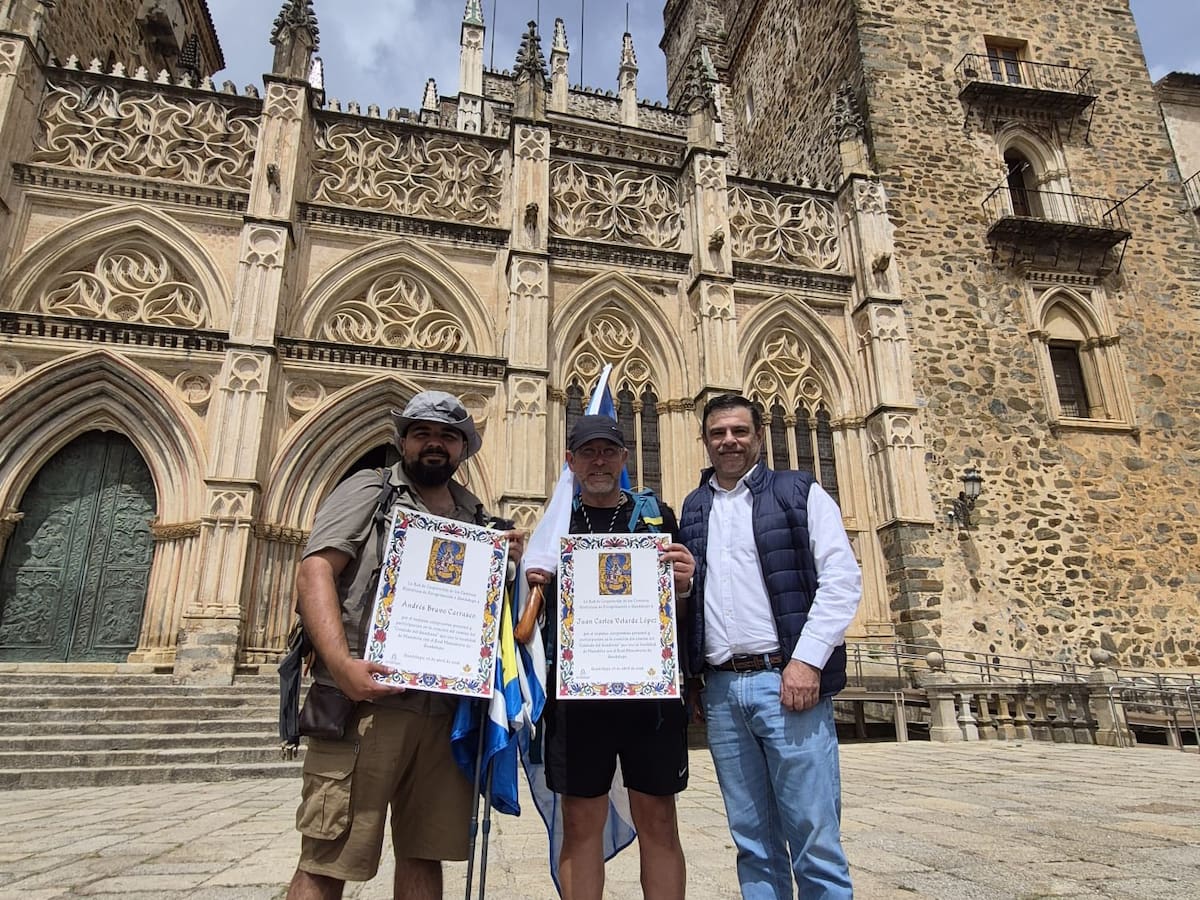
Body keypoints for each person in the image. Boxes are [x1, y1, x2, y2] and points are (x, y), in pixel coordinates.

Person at [286, 390, 524, 900]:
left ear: (464, 448)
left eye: (447, 436)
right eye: (422, 433)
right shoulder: (369, 491)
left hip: (445, 712)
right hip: (367, 706)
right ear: (403, 441)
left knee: (425, 853)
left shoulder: (473, 515)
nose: (434, 444)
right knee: (328, 856)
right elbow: (314, 572)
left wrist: (509, 561)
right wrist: (342, 665)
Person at [678, 394, 861, 900]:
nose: (729, 441)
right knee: (752, 839)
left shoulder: (798, 491)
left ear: (759, 435)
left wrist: (806, 662)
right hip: (721, 690)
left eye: (739, 431)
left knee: (813, 837)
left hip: (785, 682)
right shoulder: (695, 507)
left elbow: (842, 580)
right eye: (718, 433)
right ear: (706, 441)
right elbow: (701, 598)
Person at [525, 414, 696, 900]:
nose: (598, 461)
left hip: (650, 698)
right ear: (571, 461)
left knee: (659, 820)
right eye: (587, 452)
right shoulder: (555, 525)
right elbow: (532, 613)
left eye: (608, 451)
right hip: (578, 700)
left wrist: (683, 586)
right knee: (580, 824)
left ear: (624, 457)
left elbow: (680, 613)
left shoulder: (656, 516)